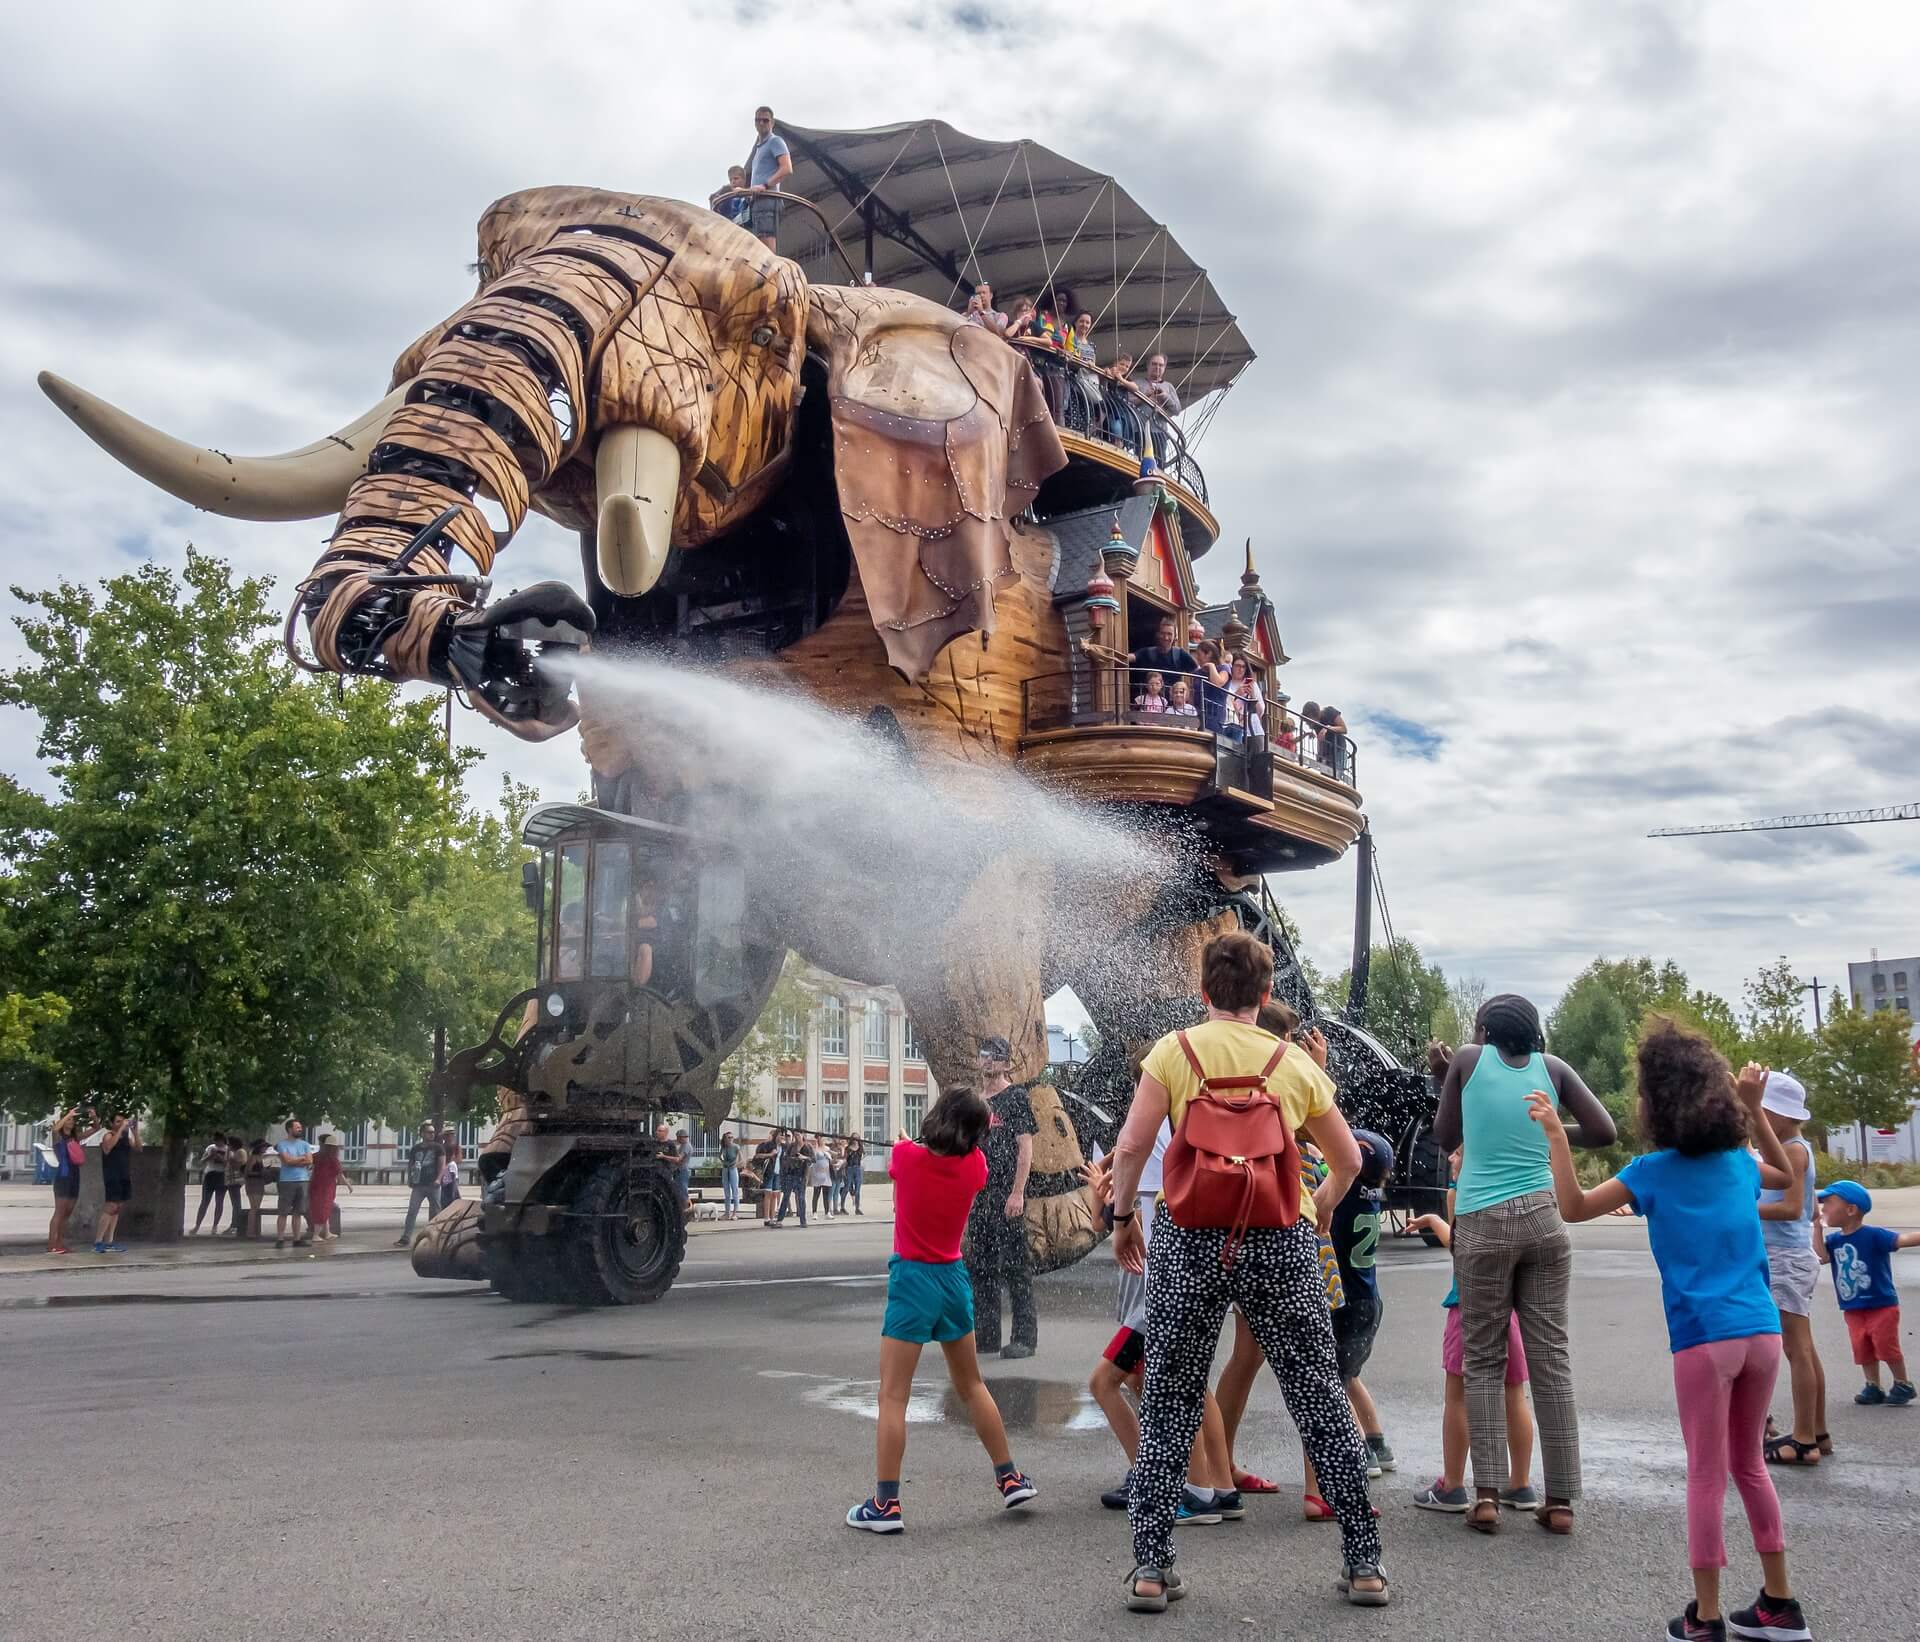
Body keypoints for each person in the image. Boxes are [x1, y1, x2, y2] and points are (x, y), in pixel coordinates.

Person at [1110, 930, 1386, 1612]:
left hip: (1189, 1237)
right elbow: (1350, 1160)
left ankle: (1151, 1566)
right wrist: (1318, 1207)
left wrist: (1122, 1220)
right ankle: (1364, 1564)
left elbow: (1131, 1144)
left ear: (1204, 993)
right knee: (1318, 1394)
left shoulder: (1172, 1052)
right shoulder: (1292, 1064)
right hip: (1279, 1239)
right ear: (1266, 997)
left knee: (1171, 1397)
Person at [1531, 1025, 1811, 1642]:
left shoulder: (1651, 1171)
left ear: (1655, 1102)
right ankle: (1779, 1605)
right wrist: (1753, 1111)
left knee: (1707, 1474)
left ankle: (1706, 1618)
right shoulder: (1740, 1164)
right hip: (1761, 1332)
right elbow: (1788, 1178)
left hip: (1703, 1339)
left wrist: (1558, 1136)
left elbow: (1573, 1207)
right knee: (1750, 1468)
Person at [1431, 994, 1616, 1535]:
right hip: (1544, 1221)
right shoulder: (1552, 1070)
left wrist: (1450, 1081)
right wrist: (1545, 1130)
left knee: (1483, 1360)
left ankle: (1485, 1496)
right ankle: (1559, 1500)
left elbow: (1446, 1136)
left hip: (1483, 1224)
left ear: (1484, 1028)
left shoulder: (1467, 1059)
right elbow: (1604, 1131)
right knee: (1550, 1362)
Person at [846, 1089, 1037, 1533]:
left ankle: (886, 1505)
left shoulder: (906, 1157)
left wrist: (906, 1142)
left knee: (893, 1395)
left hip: (912, 1280)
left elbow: (907, 1154)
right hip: (954, 1280)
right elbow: (939, 1155)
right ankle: (1009, 1478)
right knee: (972, 1385)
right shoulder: (976, 1167)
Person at [1083, 1140, 1239, 1522]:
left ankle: (1161, 1480)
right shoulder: (1181, 1132)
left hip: (1155, 1298)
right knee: (1184, 1385)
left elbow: (1132, 1225)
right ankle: (1222, 1487)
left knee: (1105, 1383)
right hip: (1176, 1286)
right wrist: (1103, 1193)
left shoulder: (1151, 1138)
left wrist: (1119, 1205)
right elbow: (1103, 1220)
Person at [1406, 1153, 1538, 1513]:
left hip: (1468, 1304)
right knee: (1514, 1395)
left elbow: (1460, 1249)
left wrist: (1437, 1217)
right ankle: (1521, 1484)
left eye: (1461, 1151)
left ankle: (1452, 1486)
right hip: (1509, 1306)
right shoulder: (1515, 1188)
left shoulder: (1463, 1192)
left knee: (1459, 1396)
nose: (1451, 1157)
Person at [1754, 1073, 1829, 1463]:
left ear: (1780, 1115)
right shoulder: (1791, 1147)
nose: (1756, 1120)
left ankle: (1803, 1439)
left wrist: (1742, 1209)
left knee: (1795, 1348)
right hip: (1792, 1254)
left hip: (1785, 1256)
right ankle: (1817, 1429)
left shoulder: (1793, 1152)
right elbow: (1813, 1210)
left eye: (1762, 1112)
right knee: (1805, 1347)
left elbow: (1790, 1208)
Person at [1816, 1179, 1919, 1406]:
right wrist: (1816, 1227)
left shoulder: (1874, 1235)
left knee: (1885, 1344)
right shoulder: (1833, 1240)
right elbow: (1822, 1256)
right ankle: (1873, 1385)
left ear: (1851, 1209)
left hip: (1881, 1303)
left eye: (1829, 1204)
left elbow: (1902, 1239)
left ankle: (1902, 1383)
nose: (1823, 1209)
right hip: (1852, 1307)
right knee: (1861, 1346)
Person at [966, 1035, 1038, 1359]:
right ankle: (987, 1335)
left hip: (1006, 1196)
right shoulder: (975, 1102)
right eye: (985, 1055)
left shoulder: (1016, 1097)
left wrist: (1017, 1192)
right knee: (981, 1267)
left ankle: (1024, 1337)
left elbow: (1025, 1148)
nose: (989, 1061)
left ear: (1006, 1063)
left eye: (996, 1057)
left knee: (1015, 1267)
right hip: (979, 1198)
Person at [743, 105, 790, 249]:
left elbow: (786, 168)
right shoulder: (759, 148)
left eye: (765, 120)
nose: (761, 123)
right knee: (759, 242)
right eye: (758, 120)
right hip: (758, 200)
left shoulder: (775, 141)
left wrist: (764, 186)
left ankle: (768, 271)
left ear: (772, 123)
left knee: (766, 243)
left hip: (768, 199)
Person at [93, 1112, 138, 1253]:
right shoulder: (109, 1135)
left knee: (117, 1208)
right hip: (112, 1176)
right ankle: (98, 1241)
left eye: (122, 1121)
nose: (121, 1124)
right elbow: (107, 1148)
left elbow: (138, 1148)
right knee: (110, 1206)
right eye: (118, 1122)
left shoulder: (125, 1138)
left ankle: (109, 1241)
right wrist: (119, 1130)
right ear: (112, 1124)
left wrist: (135, 1132)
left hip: (124, 1175)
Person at [1127, 616, 1198, 703]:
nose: (1166, 637)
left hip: (1174, 706)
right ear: (1157, 634)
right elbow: (1131, 657)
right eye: (1163, 633)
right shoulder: (1148, 652)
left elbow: (1197, 672)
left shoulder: (1180, 654)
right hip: (1151, 706)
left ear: (1175, 636)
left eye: (1169, 634)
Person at [46, 1105, 84, 1255]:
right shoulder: (58, 1137)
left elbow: (95, 1129)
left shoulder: (75, 1138)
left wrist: (94, 1118)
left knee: (68, 1212)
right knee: (59, 1212)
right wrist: (68, 1114)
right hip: (63, 1177)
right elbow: (55, 1130)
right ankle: (51, 1245)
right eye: (69, 1119)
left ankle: (60, 1243)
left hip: (75, 1177)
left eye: (73, 1119)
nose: (71, 1122)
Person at [397, 1122, 442, 1245]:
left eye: (433, 1132)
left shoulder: (438, 1148)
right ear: (422, 1133)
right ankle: (406, 1237)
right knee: (412, 1210)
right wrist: (410, 1179)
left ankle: (434, 1238)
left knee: (435, 1212)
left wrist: (438, 1179)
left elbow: (441, 1165)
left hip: (433, 1185)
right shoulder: (416, 1148)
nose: (432, 1134)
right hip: (419, 1185)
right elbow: (410, 1164)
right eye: (429, 1132)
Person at [274, 1120, 315, 1250]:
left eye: (300, 1127)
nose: (300, 1129)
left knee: (298, 1211)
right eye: (297, 1127)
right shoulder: (282, 1144)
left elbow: (309, 1160)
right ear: (289, 1129)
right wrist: (301, 1159)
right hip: (287, 1181)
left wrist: (294, 1160)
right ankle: (280, 1239)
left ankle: (296, 1239)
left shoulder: (305, 1144)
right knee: (283, 1211)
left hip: (303, 1180)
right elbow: (286, 1161)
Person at [308, 1133, 351, 1242]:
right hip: (326, 1187)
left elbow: (308, 1167)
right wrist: (349, 1185)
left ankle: (327, 1233)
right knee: (323, 1209)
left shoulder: (316, 1156)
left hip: (315, 1185)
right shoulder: (333, 1159)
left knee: (323, 1208)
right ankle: (316, 1235)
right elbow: (340, 1176)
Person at [769, 1129, 811, 1227]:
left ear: (802, 1135)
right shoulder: (792, 1146)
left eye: (798, 1135)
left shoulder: (807, 1147)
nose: (797, 1137)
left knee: (801, 1198)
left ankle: (803, 1221)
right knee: (786, 1197)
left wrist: (803, 1158)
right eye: (795, 1135)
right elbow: (785, 1158)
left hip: (802, 1175)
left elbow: (813, 1159)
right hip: (791, 1174)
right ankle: (779, 1220)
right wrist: (791, 1161)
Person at [190, 1136, 229, 1235]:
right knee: (204, 1202)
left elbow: (227, 1164)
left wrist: (219, 1156)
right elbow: (202, 1161)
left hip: (221, 1176)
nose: (216, 1143)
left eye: (218, 1141)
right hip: (210, 1175)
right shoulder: (210, 1147)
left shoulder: (227, 1149)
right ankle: (197, 1225)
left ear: (222, 1141)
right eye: (215, 1141)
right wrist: (210, 1155)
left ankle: (215, 1226)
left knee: (219, 1202)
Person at [1224, 655, 1264, 743]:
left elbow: (1260, 712)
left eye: (1243, 666)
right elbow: (1224, 703)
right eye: (1237, 666)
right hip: (1233, 728)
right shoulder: (1226, 682)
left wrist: (1253, 695)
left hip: (1253, 730)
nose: (1240, 669)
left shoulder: (1252, 685)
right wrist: (1237, 694)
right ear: (1232, 666)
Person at [1134, 354, 1182, 419]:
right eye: (1154, 364)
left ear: (1164, 368)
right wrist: (1146, 397)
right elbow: (1127, 402)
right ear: (1148, 365)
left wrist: (1165, 397)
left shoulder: (1169, 386)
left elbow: (1177, 411)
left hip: (1159, 427)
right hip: (1139, 425)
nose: (1157, 367)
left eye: (1161, 365)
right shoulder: (1137, 383)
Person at [243, 1139, 271, 1239]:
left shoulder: (261, 1158)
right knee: (254, 1208)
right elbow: (247, 1172)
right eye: (264, 1147)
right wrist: (260, 1173)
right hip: (253, 1183)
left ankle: (253, 1230)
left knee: (256, 1207)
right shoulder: (253, 1158)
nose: (266, 1149)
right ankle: (250, 1231)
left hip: (259, 1183)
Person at [710, 163, 751, 228]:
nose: (733, 182)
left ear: (744, 180)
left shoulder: (749, 194)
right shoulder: (728, 199)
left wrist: (744, 192)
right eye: (730, 180)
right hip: (731, 226)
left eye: (736, 178)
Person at [224, 1135, 249, 1236]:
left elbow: (239, 1165)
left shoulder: (240, 1152)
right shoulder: (233, 1152)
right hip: (231, 1180)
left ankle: (235, 1224)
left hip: (236, 1180)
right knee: (235, 1203)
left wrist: (230, 1157)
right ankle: (234, 1224)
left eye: (229, 1143)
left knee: (236, 1204)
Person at [809, 1136, 835, 1217]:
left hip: (826, 1174)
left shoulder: (827, 1149)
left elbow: (833, 1157)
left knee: (825, 1194)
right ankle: (814, 1212)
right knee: (816, 1193)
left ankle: (827, 1212)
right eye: (820, 1139)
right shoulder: (815, 1149)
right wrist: (815, 1147)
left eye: (823, 1139)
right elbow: (813, 1158)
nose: (822, 1141)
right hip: (817, 1173)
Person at [440, 1127, 464, 1213]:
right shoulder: (441, 1147)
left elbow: (459, 1159)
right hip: (444, 1173)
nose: (450, 1137)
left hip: (452, 1173)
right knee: (447, 1195)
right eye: (447, 1135)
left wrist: (451, 1161)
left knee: (452, 1194)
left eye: (451, 1135)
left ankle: (454, 1211)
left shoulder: (456, 1146)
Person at [719, 1130, 741, 1220]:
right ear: (725, 1139)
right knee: (727, 1192)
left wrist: (735, 1164)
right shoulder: (723, 1147)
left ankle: (735, 1213)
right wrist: (723, 1162)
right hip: (725, 1168)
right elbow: (719, 1155)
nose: (731, 1139)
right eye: (729, 1137)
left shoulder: (736, 1147)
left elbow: (741, 1158)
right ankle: (727, 1212)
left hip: (732, 1169)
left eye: (732, 1137)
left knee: (735, 1190)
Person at [842, 1135, 865, 1215]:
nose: (855, 1140)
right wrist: (843, 1168)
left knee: (858, 1188)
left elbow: (863, 1155)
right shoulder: (848, 1148)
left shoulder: (861, 1148)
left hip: (857, 1168)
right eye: (854, 1138)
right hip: (849, 1168)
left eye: (857, 1138)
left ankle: (857, 1208)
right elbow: (845, 1159)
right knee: (847, 1187)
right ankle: (842, 1207)